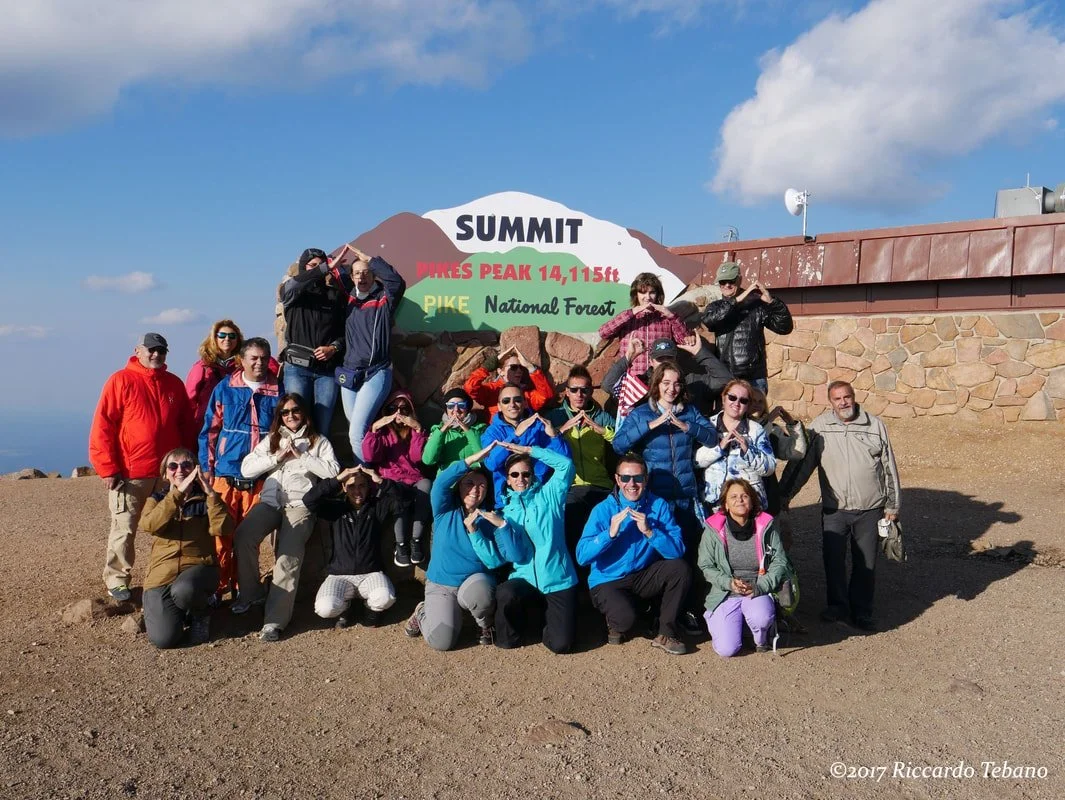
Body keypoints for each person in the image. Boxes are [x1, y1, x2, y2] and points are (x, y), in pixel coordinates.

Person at [779, 380, 901, 631]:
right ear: (830, 402)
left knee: (866, 563)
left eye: (847, 397)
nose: (843, 402)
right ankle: (837, 606)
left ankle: (862, 611)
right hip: (835, 510)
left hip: (869, 510)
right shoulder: (821, 428)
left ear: (854, 397)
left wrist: (893, 505)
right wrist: (784, 496)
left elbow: (889, 468)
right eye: (837, 398)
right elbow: (802, 465)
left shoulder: (874, 426)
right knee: (833, 561)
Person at [89, 332, 196, 601]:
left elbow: (185, 426)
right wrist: (107, 468)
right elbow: (103, 426)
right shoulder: (121, 380)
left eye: (161, 351)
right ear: (138, 350)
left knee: (169, 527)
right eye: (151, 350)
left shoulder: (174, 384)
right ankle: (117, 580)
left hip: (167, 474)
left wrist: (189, 465)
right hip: (130, 473)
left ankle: (167, 575)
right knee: (124, 528)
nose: (156, 355)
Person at [233, 393, 340, 641]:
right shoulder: (272, 439)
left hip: (299, 505)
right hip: (270, 503)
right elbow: (246, 468)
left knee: (287, 557)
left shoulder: (317, 441)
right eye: (285, 412)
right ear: (279, 416)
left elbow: (333, 471)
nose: (290, 416)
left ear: (304, 413)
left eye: (295, 411)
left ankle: (274, 621)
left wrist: (303, 456)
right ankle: (252, 595)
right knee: (243, 536)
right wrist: (277, 457)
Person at [404, 442, 529, 650]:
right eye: (469, 483)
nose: (475, 490)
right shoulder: (444, 510)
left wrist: (495, 528)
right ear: (460, 487)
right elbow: (441, 483)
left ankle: (484, 624)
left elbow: (501, 559)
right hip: (441, 584)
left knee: (481, 594)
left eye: (482, 485)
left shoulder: (491, 519)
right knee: (442, 642)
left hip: (474, 582)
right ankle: (422, 612)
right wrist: (473, 459)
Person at [576, 454, 690, 656]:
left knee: (679, 568)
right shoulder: (603, 510)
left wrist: (650, 532)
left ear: (646, 480)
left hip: (642, 575)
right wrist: (609, 534)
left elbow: (677, 550)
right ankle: (618, 617)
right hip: (608, 579)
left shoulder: (658, 506)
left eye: (638, 478)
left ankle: (666, 632)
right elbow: (582, 556)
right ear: (617, 479)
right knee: (624, 621)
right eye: (626, 478)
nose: (632, 484)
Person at [199, 336, 282, 600]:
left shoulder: (277, 389)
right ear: (242, 360)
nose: (258, 363)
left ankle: (244, 587)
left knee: (248, 539)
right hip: (226, 472)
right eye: (253, 358)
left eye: (263, 358)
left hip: (258, 476)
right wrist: (207, 466)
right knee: (221, 536)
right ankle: (218, 588)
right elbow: (210, 430)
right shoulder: (225, 388)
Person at [139, 450, 233, 648]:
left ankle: (201, 613)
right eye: (173, 466)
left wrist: (210, 494)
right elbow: (150, 525)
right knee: (163, 640)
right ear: (165, 474)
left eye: (186, 465)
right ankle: (182, 612)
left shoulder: (206, 498)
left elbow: (223, 528)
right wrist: (177, 494)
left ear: (195, 470)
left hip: (199, 569)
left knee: (184, 590)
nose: (180, 470)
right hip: (161, 574)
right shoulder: (156, 500)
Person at [493, 442, 578, 653]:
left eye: (525, 474)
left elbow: (566, 465)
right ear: (508, 479)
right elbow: (513, 555)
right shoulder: (505, 513)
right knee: (506, 592)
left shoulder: (550, 495)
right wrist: (502, 527)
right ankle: (511, 635)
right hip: (525, 578)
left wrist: (531, 451)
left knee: (561, 645)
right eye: (514, 475)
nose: (520, 479)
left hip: (557, 578)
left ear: (533, 475)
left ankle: (545, 622)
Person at [698, 478, 793, 657]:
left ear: (752, 500)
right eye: (733, 496)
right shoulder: (713, 530)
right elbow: (706, 565)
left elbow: (779, 561)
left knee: (762, 617)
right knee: (727, 650)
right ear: (725, 504)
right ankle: (729, 623)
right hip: (725, 591)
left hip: (757, 587)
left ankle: (759, 636)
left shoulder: (766, 527)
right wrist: (728, 583)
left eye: (744, 496)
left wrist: (761, 587)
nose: (740, 500)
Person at [331, 245, 406, 464]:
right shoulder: (347, 299)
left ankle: (365, 483)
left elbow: (396, 282)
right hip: (349, 374)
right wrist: (336, 266)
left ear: (373, 275)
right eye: (357, 273)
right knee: (359, 430)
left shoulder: (384, 299)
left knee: (356, 433)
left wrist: (369, 259)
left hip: (376, 373)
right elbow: (327, 274)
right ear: (351, 277)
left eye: (366, 272)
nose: (362, 276)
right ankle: (374, 472)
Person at [305, 466, 404, 629]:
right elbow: (309, 500)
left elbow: (403, 501)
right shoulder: (336, 508)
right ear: (344, 488)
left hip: (371, 573)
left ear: (368, 487)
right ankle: (345, 607)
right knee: (325, 608)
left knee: (385, 597)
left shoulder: (377, 507)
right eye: (351, 486)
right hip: (339, 575)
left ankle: (371, 609)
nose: (357, 491)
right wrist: (336, 479)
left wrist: (380, 480)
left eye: (361, 486)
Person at [545, 365, 616, 565]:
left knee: (604, 538)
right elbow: (541, 449)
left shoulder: (602, 417)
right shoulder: (556, 417)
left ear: (591, 391)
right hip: (571, 487)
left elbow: (623, 444)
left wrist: (602, 430)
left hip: (600, 486)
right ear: (566, 392)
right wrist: (562, 429)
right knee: (572, 536)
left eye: (584, 389)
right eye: (574, 389)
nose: (579, 394)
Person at [279, 248, 347, 436]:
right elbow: (291, 286)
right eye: (313, 265)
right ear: (303, 268)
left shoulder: (335, 295)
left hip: (326, 370)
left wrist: (334, 348)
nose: (319, 269)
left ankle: (319, 464)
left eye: (321, 264)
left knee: (322, 426)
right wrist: (324, 268)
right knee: (295, 424)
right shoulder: (292, 294)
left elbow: (346, 332)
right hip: (296, 369)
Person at [362, 388, 431, 567]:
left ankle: (416, 540)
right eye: (393, 408)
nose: (398, 413)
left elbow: (417, 457)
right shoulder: (383, 432)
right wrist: (375, 428)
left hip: (413, 477)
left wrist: (417, 429)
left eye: (404, 409)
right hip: (391, 478)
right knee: (397, 494)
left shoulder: (414, 430)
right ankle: (400, 544)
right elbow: (370, 457)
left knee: (425, 485)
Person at [700, 261, 793, 394]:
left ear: (739, 280)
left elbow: (784, 327)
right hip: (726, 375)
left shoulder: (756, 305)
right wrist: (736, 301)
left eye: (731, 281)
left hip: (753, 376)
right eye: (722, 282)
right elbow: (709, 321)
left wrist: (773, 303)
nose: (727, 285)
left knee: (755, 414)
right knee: (727, 414)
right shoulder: (715, 306)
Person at [603, 334, 731, 421]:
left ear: (676, 360)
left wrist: (700, 353)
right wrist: (629, 357)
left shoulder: (691, 381)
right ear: (651, 361)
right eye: (660, 359)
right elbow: (608, 385)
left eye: (668, 358)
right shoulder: (640, 384)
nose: (665, 363)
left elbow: (725, 380)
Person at [695, 379, 777, 510]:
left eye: (743, 400)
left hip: (747, 505)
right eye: (732, 397)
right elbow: (695, 461)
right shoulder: (707, 425)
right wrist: (719, 448)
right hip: (714, 505)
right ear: (723, 398)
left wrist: (748, 452)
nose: (737, 403)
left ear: (748, 405)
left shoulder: (755, 430)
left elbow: (770, 467)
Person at [481, 383, 569, 503]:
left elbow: (564, 461)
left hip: (540, 496)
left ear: (525, 403)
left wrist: (554, 436)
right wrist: (515, 435)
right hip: (508, 500)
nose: (512, 404)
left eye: (517, 400)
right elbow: (491, 464)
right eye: (506, 401)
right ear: (499, 406)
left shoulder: (539, 426)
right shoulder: (492, 432)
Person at [598, 272, 689, 378]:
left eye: (652, 292)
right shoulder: (628, 317)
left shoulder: (666, 317)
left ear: (658, 294)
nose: (648, 297)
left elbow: (685, 341)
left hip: (660, 378)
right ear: (636, 294)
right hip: (632, 380)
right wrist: (632, 312)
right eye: (643, 293)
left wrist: (671, 315)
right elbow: (603, 332)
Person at [749, 390, 807, 550]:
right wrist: (768, 420)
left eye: (761, 402)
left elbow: (796, 452)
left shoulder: (773, 429)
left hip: (768, 491)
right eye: (753, 400)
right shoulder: (739, 426)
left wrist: (793, 425)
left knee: (770, 541)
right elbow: (751, 440)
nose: (757, 405)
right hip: (745, 489)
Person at [464, 346, 556, 420]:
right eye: (514, 367)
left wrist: (530, 368)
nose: (519, 371)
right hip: (497, 437)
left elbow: (546, 395)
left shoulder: (525, 394)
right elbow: (470, 387)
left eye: (522, 367)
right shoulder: (492, 390)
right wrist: (490, 365)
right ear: (501, 371)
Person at [185, 320, 243, 432]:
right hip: (207, 424)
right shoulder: (202, 367)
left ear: (237, 340)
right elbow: (190, 400)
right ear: (214, 338)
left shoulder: (241, 367)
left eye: (232, 336)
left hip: (234, 424)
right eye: (222, 335)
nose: (227, 339)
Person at [421, 388, 486, 469]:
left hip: (473, 474)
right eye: (451, 406)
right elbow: (428, 460)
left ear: (467, 409)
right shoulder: (438, 431)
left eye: (461, 405)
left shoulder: (480, 428)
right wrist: (442, 430)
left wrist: (468, 430)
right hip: (448, 476)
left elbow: (483, 458)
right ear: (446, 409)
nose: (456, 410)